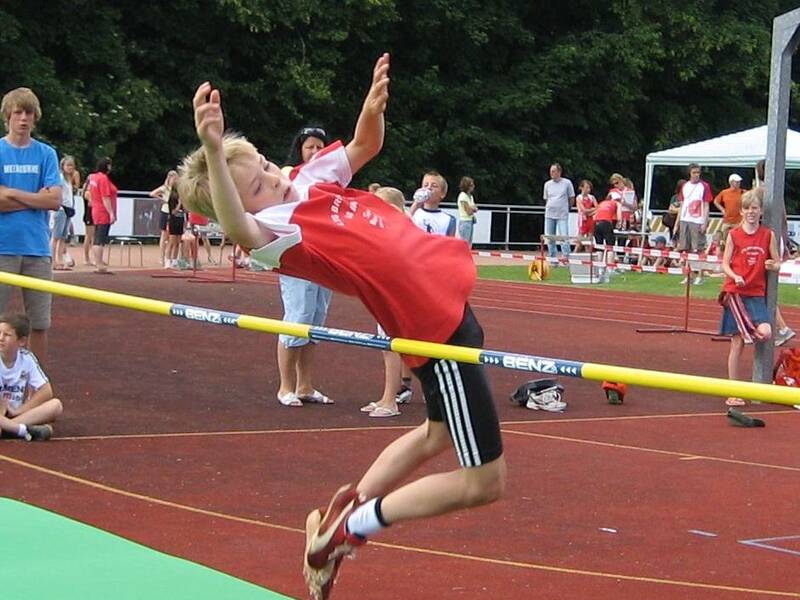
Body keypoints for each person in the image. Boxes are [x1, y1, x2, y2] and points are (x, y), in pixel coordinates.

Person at [179, 53, 505, 600]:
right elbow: (237, 223)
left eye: (264, 168)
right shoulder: (274, 231)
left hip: (441, 300)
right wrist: (212, 150)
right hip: (433, 326)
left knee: (436, 434)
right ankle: (350, 530)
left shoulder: (305, 179)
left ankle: (342, 513)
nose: (271, 183)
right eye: (255, 187)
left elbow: (363, 147)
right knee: (484, 482)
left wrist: (371, 107)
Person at [274, 125, 335, 407]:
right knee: (297, 317)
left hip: (323, 258)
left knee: (316, 322)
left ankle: (305, 386)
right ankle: (285, 386)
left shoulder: (333, 181)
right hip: (296, 258)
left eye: (320, 147)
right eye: (309, 146)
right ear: (300, 149)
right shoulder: (289, 177)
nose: (315, 152)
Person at [0, 87, 62, 364]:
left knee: (39, 322)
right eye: (18, 113)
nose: (23, 119)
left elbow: (55, 200)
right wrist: (37, 198)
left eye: (29, 113)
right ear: (7, 117)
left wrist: (12, 193)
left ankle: (35, 380)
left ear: (35, 118)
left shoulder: (46, 154)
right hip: (3, 246)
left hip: (37, 248)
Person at [718, 188, 781, 407]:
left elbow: (778, 260)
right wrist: (735, 276)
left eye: (754, 208)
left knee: (765, 332)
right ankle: (733, 391)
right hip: (735, 293)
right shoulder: (734, 235)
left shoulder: (768, 235)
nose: (751, 212)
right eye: (747, 208)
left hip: (756, 294)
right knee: (737, 344)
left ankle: (757, 382)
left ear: (761, 210)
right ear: (742, 211)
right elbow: (725, 263)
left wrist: (773, 265)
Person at [359, 186, 413, 419]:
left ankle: (391, 400)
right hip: (386, 294)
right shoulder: (387, 228)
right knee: (387, 347)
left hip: (397, 295)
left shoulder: (402, 229)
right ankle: (387, 396)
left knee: (391, 346)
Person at [0, 313, 61, 441]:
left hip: (14, 414)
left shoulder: (26, 358)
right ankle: (23, 430)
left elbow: (46, 391)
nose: (1, 338)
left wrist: (19, 411)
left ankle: (9, 428)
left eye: (7, 335)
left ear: (21, 341)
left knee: (56, 406)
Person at [675, 163, 713, 285]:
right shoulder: (685, 186)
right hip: (685, 219)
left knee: (699, 249)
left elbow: (706, 205)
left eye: (698, 172)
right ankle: (689, 275)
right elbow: (682, 205)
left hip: (697, 220)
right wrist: (678, 222)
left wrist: (704, 222)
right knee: (686, 249)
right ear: (689, 173)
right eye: (694, 172)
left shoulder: (704, 186)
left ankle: (700, 276)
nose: (696, 175)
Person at [86, 157, 117, 274]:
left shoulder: (94, 177)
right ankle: (99, 264)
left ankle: (98, 262)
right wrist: (111, 213)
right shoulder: (103, 179)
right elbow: (105, 197)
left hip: (96, 209)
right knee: (100, 237)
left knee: (98, 236)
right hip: (102, 211)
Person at [542, 163, 574, 264]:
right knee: (550, 237)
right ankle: (553, 258)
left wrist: (567, 208)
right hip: (549, 214)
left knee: (564, 236)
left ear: (559, 172)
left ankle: (566, 257)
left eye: (553, 171)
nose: (551, 173)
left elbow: (571, 198)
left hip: (562, 214)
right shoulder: (547, 184)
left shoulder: (567, 183)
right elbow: (546, 198)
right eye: (551, 171)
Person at [52, 155, 80, 270]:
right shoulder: (60, 178)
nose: (70, 168)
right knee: (56, 237)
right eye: (68, 165)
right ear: (62, 166)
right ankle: (54, 260)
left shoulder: (69, 179)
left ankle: (61, 260)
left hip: (68, 209)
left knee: (63, 237)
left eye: (72, 165)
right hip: (61, 209)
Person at [409, 171, 456, 236]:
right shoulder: (413, 214)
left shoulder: (448, 220)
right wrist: (416, 203)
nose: (429, 188)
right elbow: (402, 227)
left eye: (434, 186)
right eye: (425, 185)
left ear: (442, 194)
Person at [149, 170, 178, 268]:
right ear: (169, 178)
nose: (175, 180)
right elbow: (152, 193)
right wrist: (162, 199)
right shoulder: (165, 188)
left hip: (173, 213)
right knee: (164, 235)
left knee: (173, 236)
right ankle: (161, 257)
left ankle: (170, 257)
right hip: (165, 212)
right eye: (173, 178)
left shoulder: (176, 189)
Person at [713, 173, 744, 244]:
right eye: (737, 182)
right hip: (727, 220)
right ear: (731, 182)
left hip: (739, 221)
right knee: (724, 239)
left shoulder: (743, 192)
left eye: (739, 182)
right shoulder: (724, 192)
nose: (738, 183)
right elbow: (716, 201)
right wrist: (722, 210)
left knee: (738, 239)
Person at [574, 179, 597, 253]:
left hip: (590, 219)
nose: (588, 189)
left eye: (589, 188)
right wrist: (592, 210)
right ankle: (574, 254)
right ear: (581, 188)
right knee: (579, 239)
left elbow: (597, 207)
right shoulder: (579, 197)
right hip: (582, 220)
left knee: (589, 239)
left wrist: (590, 212)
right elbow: (583, 210)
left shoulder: (592, 197)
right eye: (586, 187)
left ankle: (589, 257)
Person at [456, 176, 478, 247]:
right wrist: (472, 208)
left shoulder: (470, 196)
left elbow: (474, 208)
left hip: (470, 221)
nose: (473, 186)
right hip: (465, 222)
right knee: (464, 244)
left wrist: (472, 208)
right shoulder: (463, 196)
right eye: (471, 185)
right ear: (467, 186)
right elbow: (469, 211)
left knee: (469, 244)